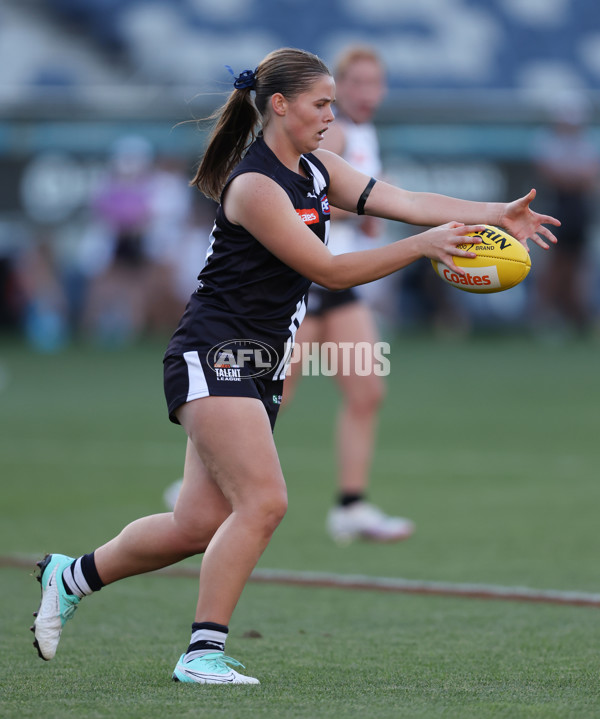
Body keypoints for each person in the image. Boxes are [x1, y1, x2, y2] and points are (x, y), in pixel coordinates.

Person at [31, 47, 559, 686]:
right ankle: (201, 652)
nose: (331, 116)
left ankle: (73, 575)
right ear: (279, 105)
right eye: (321, 104)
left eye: (333, 104)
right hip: (213, 350)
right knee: (264, 502)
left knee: (196, 524)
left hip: (259, 362)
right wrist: (422, 248)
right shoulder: (254, 186)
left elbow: (406, 198)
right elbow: (329, 269)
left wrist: (494, 214)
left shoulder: (316, 167)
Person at [282, 45, 414, 544]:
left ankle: (351, 507)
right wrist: (366, 211)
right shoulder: (332, 132)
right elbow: (298, 200)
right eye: (356, 83)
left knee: (366, 390)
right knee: (275, 393)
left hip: (339, 281)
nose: (366, 93)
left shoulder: (360, 131)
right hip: (310, 278)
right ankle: (201, 486)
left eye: (374, 84)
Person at [533, 95, 599, 336]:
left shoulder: (586, 142)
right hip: (558, 207)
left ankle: (576, 316)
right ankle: (546, 316)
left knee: (577, 264)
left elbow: (589, 176)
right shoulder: (549, 141)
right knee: (555, 263)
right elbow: (553, 174)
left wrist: (573, 177)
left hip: (579, 209)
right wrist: (577, 178)